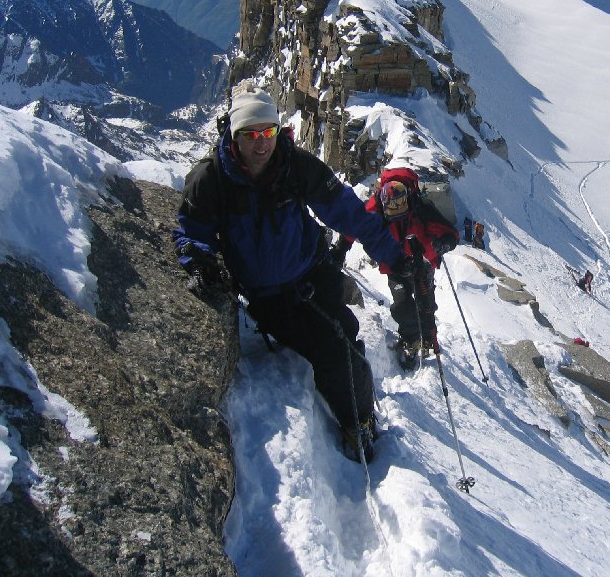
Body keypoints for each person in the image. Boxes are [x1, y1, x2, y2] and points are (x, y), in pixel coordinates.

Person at [172, 86, 407, 463]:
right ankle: (358, 421)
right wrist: (197, 257)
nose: (261, 144)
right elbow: (191, 230)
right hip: (269, 295)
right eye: (250, 135)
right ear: (234, 135)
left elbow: (347, 211)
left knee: (344, 330)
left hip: (310, 271)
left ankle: (359, 410)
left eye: (268, 133)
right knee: (335, 345)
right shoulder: (212, 178)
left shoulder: (294, 165)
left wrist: (393, 256)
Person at [346, 169, 458, 370]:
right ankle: (411, 338)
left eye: (400, 205)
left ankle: (427, 335)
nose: (397, 209)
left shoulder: (420, 208)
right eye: (392, 207)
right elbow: (357, 225)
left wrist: (445, 243)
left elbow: (450, 233)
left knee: (426, 301)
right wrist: (341, 247)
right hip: (395, 265)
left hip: (420, 262)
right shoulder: (376, 209)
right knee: (402, 303)